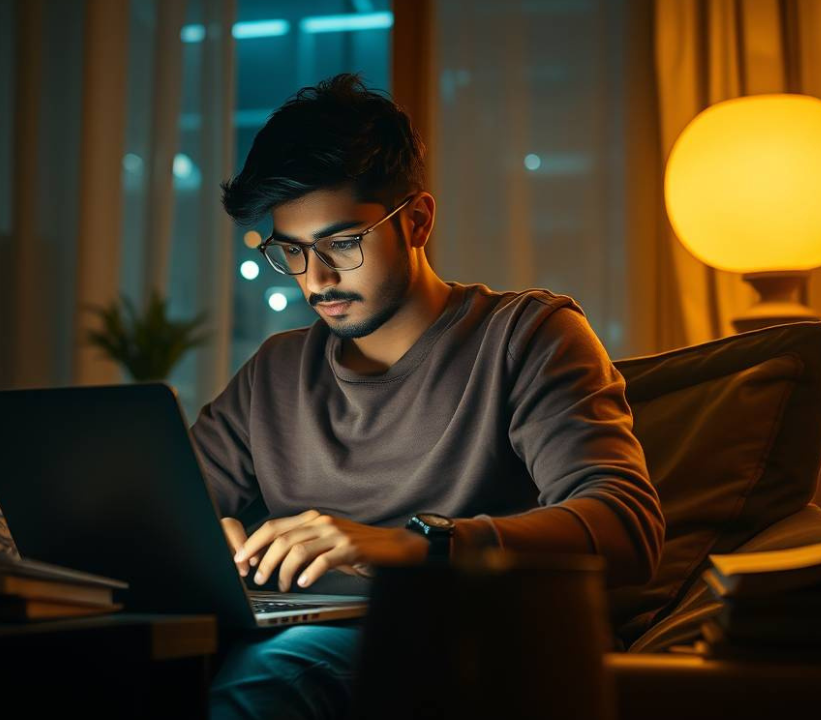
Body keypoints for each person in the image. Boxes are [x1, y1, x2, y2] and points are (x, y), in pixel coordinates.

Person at [190, 73, 664, 720]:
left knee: (268, 676)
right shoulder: (274, 373)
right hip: (285, 637)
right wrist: (199, 539)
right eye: (292, 253)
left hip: (466, 646)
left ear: (416, 220)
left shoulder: (529, 337)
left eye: (342, 243)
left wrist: (420, 547)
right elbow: (177, 507)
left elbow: (626, 525)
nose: (317, 279)